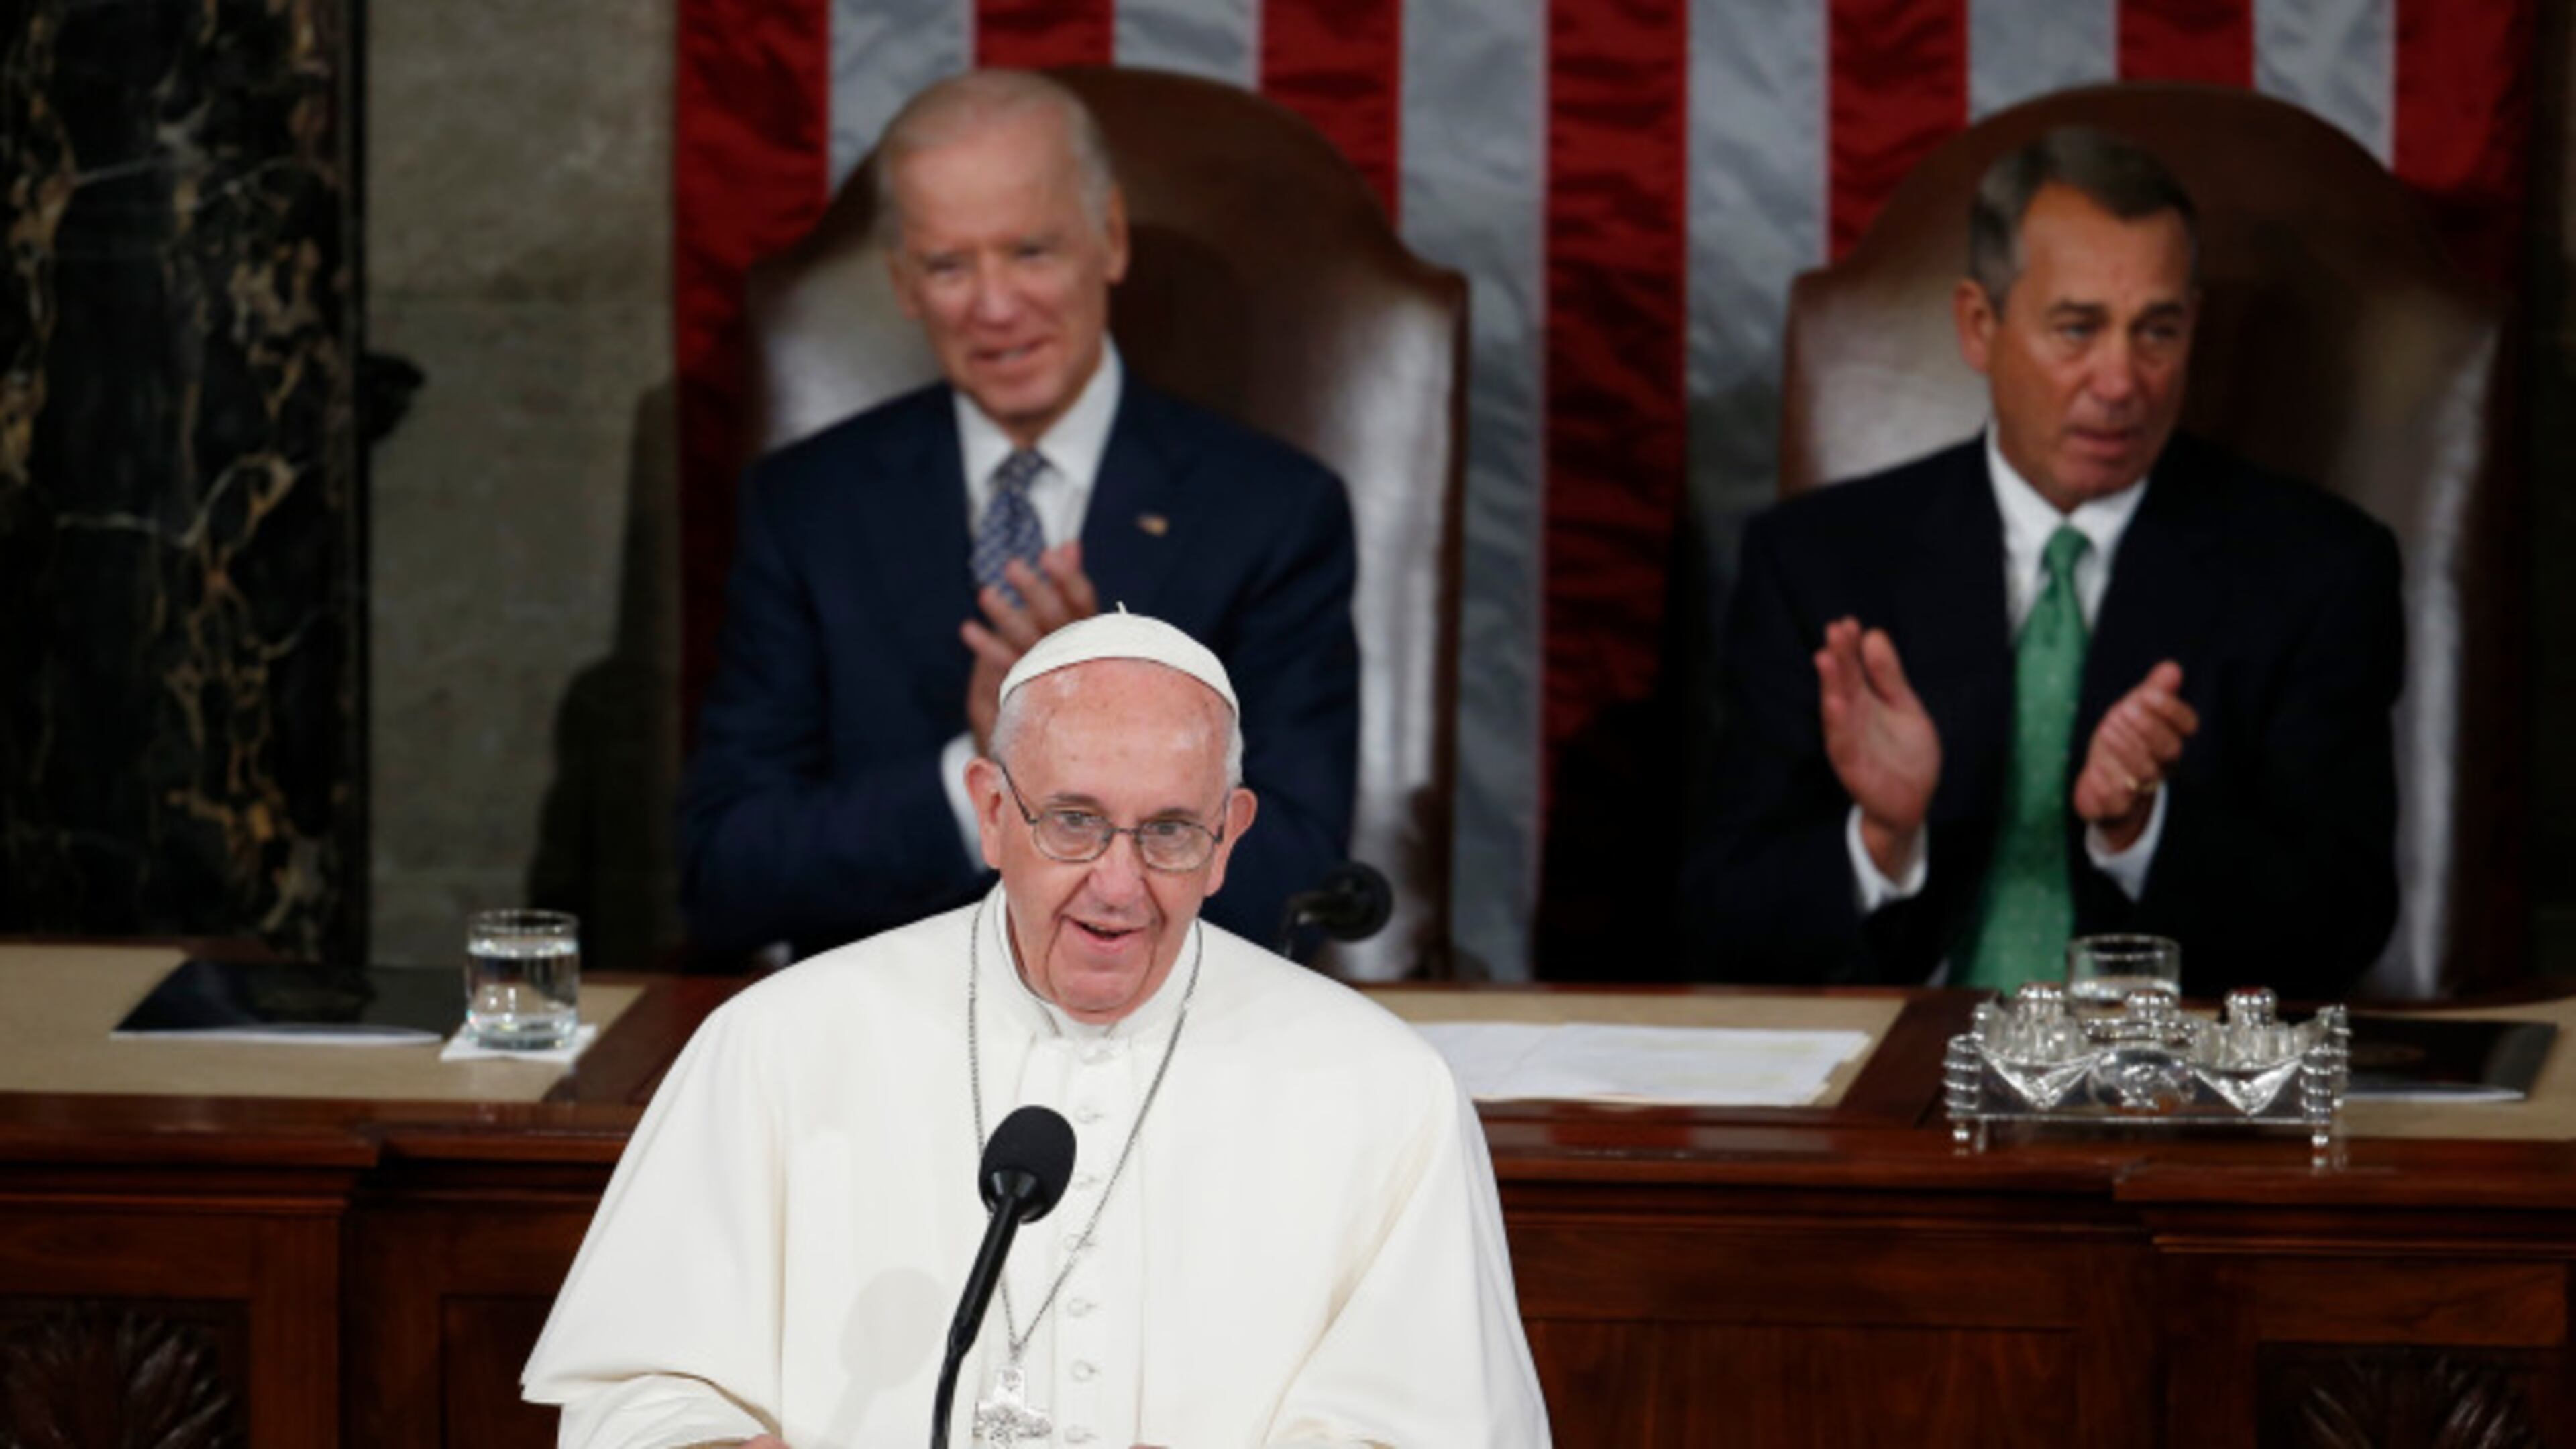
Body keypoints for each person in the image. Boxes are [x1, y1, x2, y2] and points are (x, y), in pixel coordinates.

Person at [525, 612, 1551, 1448]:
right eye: (1072, 821)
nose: (1118, 883)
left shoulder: (1380, 1091)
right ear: (990, 812)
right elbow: (633, 1401)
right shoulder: (778, 1045)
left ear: (1230, 837)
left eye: (1169, 833)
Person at [1682, 127, 2401, 1000]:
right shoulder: (1818, 561)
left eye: (2157, 332)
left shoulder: (2318, 569)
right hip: (1893, 1084)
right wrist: (1880, 837)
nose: (2120, 381)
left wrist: (2143, 832)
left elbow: (2346, 921)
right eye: (2077, 329)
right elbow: (1720, 919)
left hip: (2163, 1097)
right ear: (1979, 327)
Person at [680, 69, 1359, 961]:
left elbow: (1297, 880)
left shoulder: (1272, 514)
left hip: (1170, 1038)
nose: (995, 307)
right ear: (903, 283)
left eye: (1031, 252)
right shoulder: (809, 506)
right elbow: (725, 870)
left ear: (1109, 239)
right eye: (949, 265)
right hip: (885, 1033)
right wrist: (980, 773)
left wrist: (1094, 742)